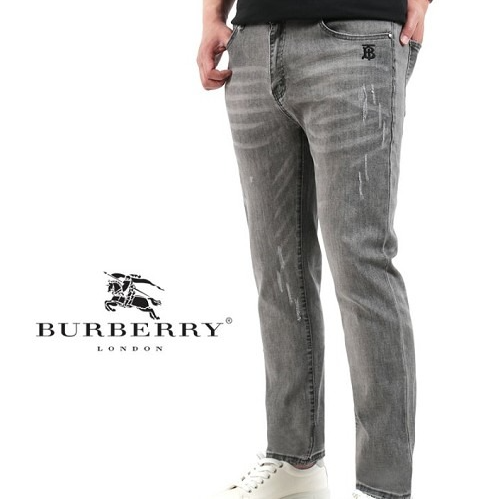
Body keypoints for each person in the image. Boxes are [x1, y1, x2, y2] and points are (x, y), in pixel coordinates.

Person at [197, 1, 432, 498]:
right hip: (252, 44)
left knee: (361, 264)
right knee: (277, 268)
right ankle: (295, 463)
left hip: (355, 36)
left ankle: (384, 487)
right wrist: (212, 14)